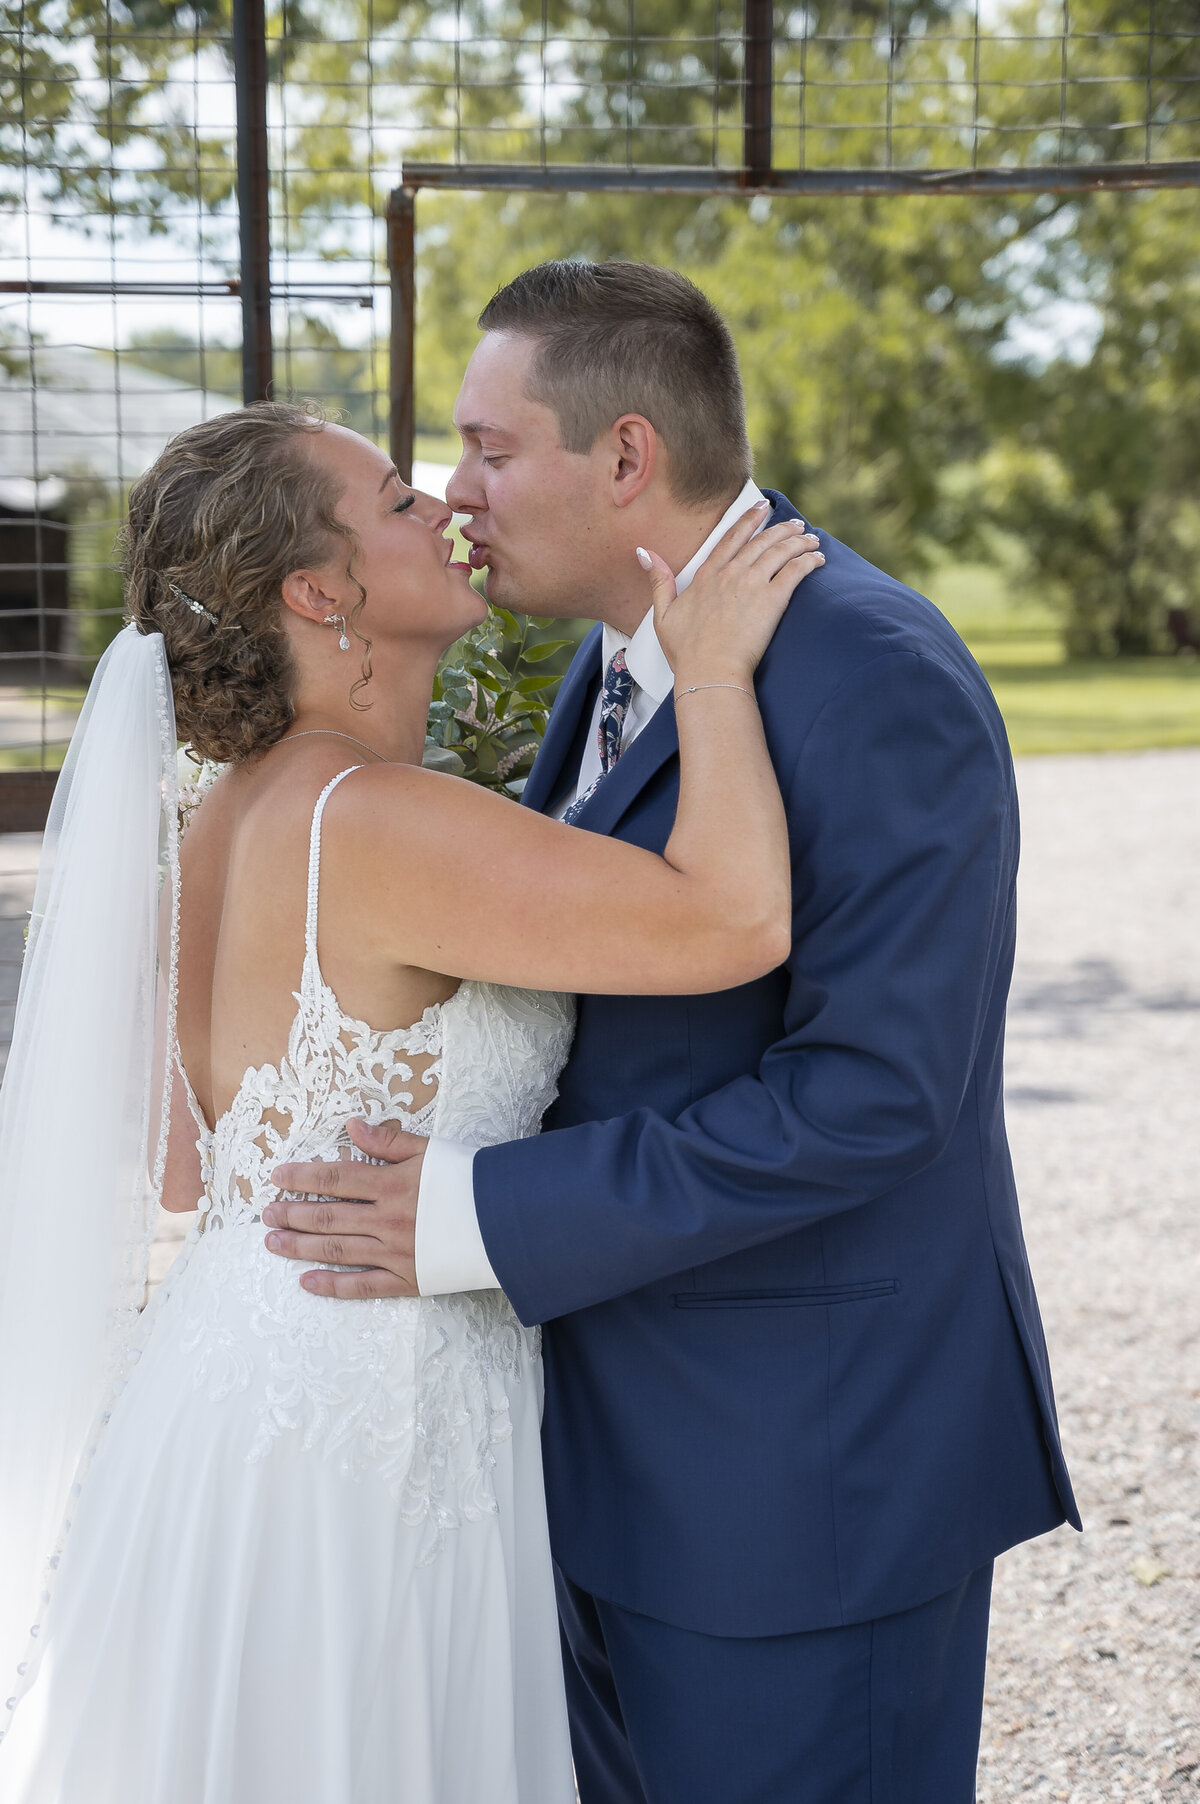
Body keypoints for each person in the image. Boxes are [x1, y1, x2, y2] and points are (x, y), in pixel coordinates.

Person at [266, 261, 1081, 1804]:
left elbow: (872, 1100)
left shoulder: (868, 677)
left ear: (626, 457)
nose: (458, 490)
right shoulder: (616, 661)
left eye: (491, 448)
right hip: (618, 1466)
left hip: (801, 1487)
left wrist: (475, 1215)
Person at [0, 399, 823, 1804]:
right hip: (366, 1432)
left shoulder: (221, 819)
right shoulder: (374, 821)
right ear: (322, 593)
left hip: (227, 1391)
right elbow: (734, 923)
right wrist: (717, 675)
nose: (441, 503)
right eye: (393, 500)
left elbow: (195, 1177)